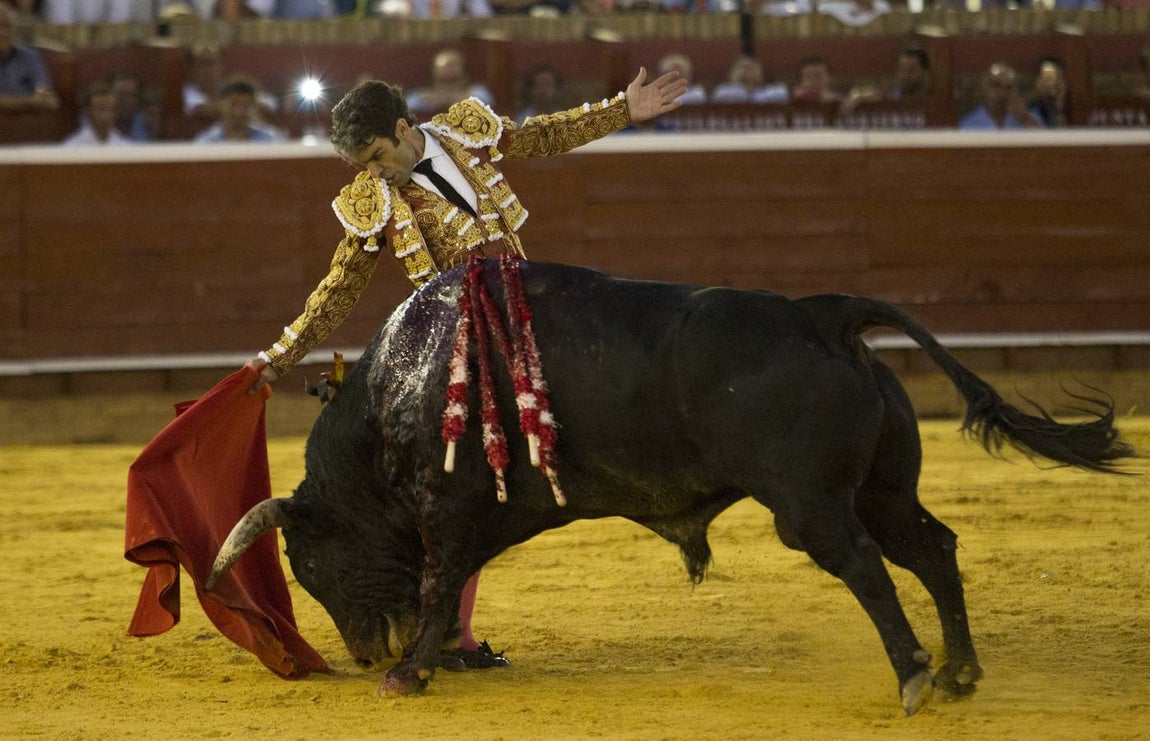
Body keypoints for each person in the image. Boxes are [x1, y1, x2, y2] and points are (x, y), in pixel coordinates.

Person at [244, 66, 686, 658]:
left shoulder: (465, 131)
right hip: (458, 341)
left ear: (403, 128)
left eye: (377, 155)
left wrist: (622, 111)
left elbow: (540, 136)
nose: (373, 173)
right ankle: (449, 633)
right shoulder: (371, 199)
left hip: (524, 309)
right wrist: (276, 357)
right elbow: (338, 288)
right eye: (362, 166)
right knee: (458, 484)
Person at [0, 3, 59, 113]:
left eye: (7, 26)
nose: (2, 32)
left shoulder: (30, 56)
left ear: (15, 30)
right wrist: (30, 101)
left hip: (27, 120)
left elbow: (44, 94)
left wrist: (42, 96)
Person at [406, 49, 494, 117]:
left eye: (453, 65)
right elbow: (408, 106)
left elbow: (486, 102)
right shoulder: (419, 96)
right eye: (444, 67)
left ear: (463, 71)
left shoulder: (478, 92)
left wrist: (447, 100)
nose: (448, 70)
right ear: (434, 72)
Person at [194, 75, 282, 143]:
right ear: (221, 106)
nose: (239, 111)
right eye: (233, 104)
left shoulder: (269, 138)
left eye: (246, 105)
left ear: (253, 107)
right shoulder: (207, 141)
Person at [959, 62, 1040, 130]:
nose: (1002, 93)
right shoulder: (970, 124)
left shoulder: (1031, 117)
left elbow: (1044, 144)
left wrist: (1023, 117)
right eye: (996, 85)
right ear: (985, 89)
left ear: (1016, 91)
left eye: (1009, 87)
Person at [62, 80, 132, 146]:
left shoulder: (128, 148)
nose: (105, 114)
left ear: (117, 112)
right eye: (100, 109)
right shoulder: (70, 147)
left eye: (110, 109)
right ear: (87, 110)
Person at [710, 55, 788, 104]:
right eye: (743, 81)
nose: (748, 87)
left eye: (753, 82)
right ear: (731, 78)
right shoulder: (723, 93)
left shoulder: (775, 94)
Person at [1028, 57, 1067, 128]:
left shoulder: (1059, 111)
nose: (1054, 84)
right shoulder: (1030, 113)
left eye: (1059, 78)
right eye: (1048, 79)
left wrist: (1058, 108)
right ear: (1037, 82)